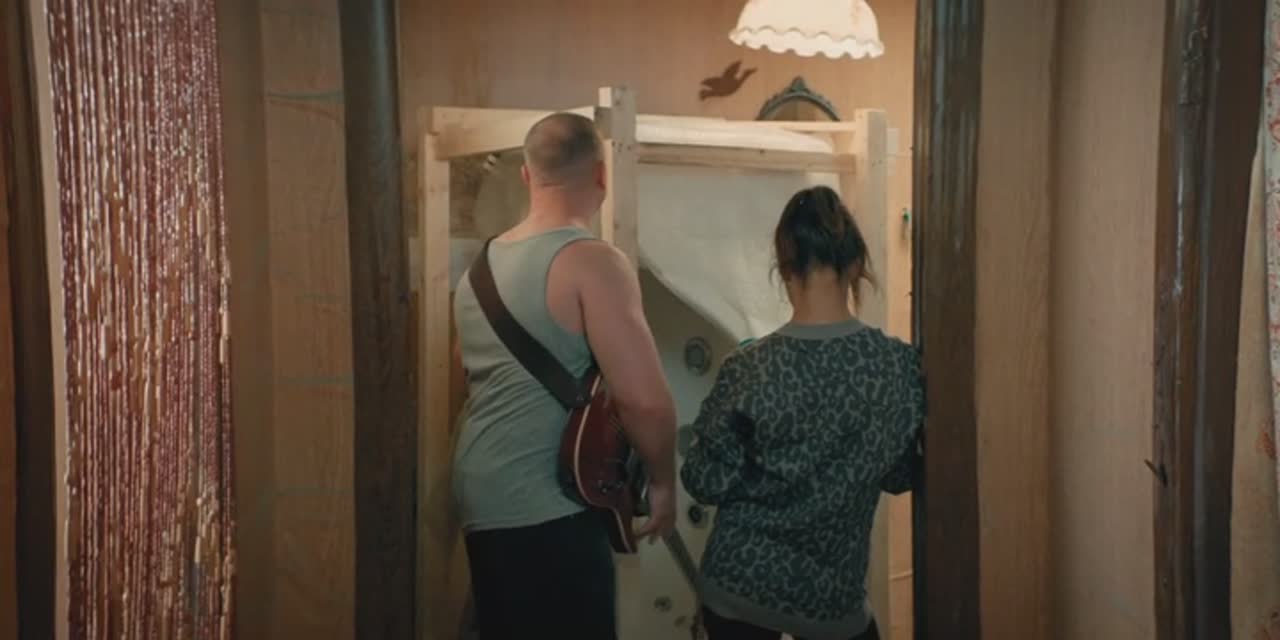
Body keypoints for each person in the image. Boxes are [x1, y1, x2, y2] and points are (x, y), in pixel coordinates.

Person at [451, 112, 678, 639]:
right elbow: (645, 401)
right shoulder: (593, 263)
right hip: (551, 502)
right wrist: (663, 482)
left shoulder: (478, 270)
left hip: (482, 494)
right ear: (601, 174)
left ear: (527, 175)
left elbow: (465, 372)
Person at [681, 185, 924, 640]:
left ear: (785, 270)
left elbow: (704, 482)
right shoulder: (899, 367)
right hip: (833, 602)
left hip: (741, 586)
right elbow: (900, 475)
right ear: (856, 265)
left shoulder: (750, 367)